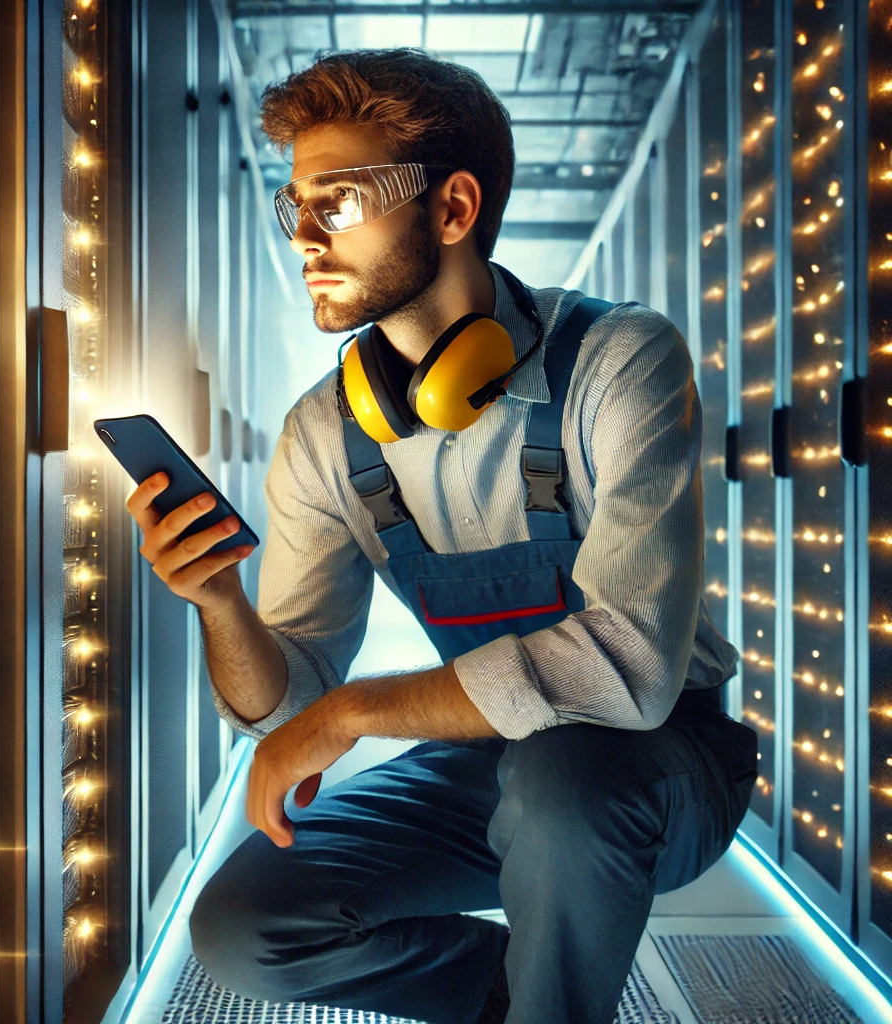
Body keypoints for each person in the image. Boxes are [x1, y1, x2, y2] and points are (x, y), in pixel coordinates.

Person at [125, 48, 758, 1024]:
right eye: (293, 205)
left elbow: (629, 668)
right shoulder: (323, 431)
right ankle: (526, 995)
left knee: (561, 781)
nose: (302, 233)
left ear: (452, 209)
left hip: (664, 758)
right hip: (494, 755)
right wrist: (219, 605)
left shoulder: (620, 359)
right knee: (246, 922)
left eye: (334, 201)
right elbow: (284, 701)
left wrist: (349, 717)